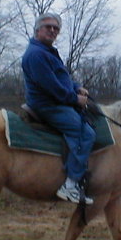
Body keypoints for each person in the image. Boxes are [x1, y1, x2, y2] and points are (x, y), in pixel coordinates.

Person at [21, 12, 95, 205]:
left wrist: (77, 86)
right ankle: (70, 185)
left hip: (57, 101)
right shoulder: (37, 55)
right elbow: (53, 88)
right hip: (49, 105)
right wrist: (75, 99)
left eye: (56, 28)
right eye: (48, 26)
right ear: (38, 29)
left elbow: (62, 78)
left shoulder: (47, 52)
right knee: (85, 133)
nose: (53, 30)